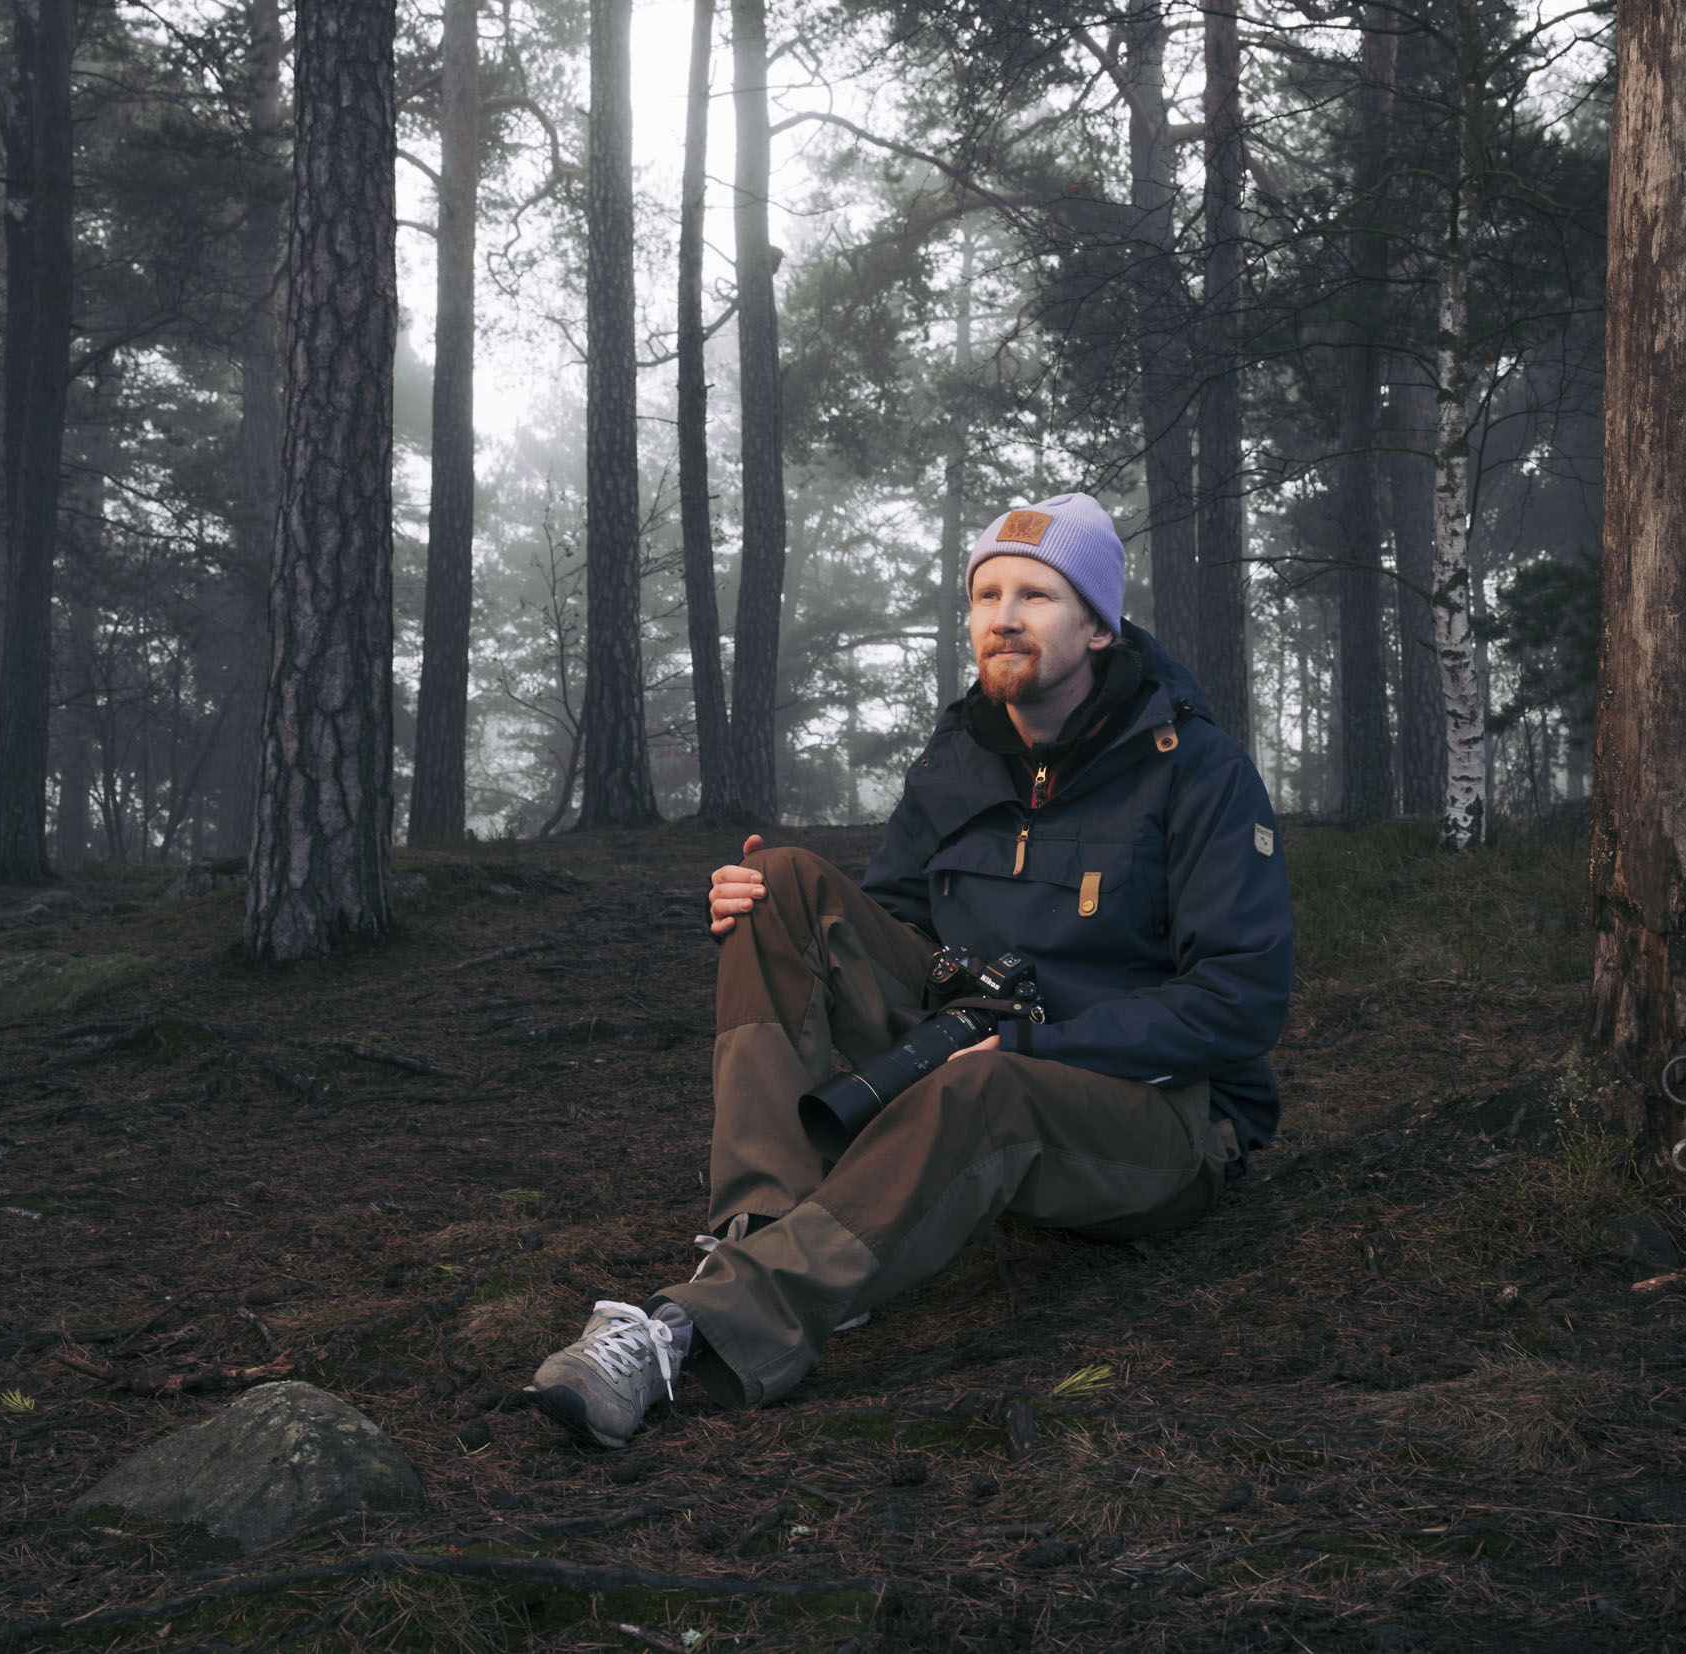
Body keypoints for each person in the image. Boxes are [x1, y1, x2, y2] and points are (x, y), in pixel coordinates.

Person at [528, 491, 1296, 1448]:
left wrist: (1031, 1044)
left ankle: (689, 1333)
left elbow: (1241, 1000)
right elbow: (891, 920)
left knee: (992, 1090)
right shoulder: (960, 756)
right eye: (986, 595)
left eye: (1038, 596)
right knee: (778, 884)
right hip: (973, 1049)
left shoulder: (1199, 771)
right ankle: (761, 1233)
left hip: (1159, 1123)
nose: (1003, 618)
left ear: (1099, 626)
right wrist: (768, 918)